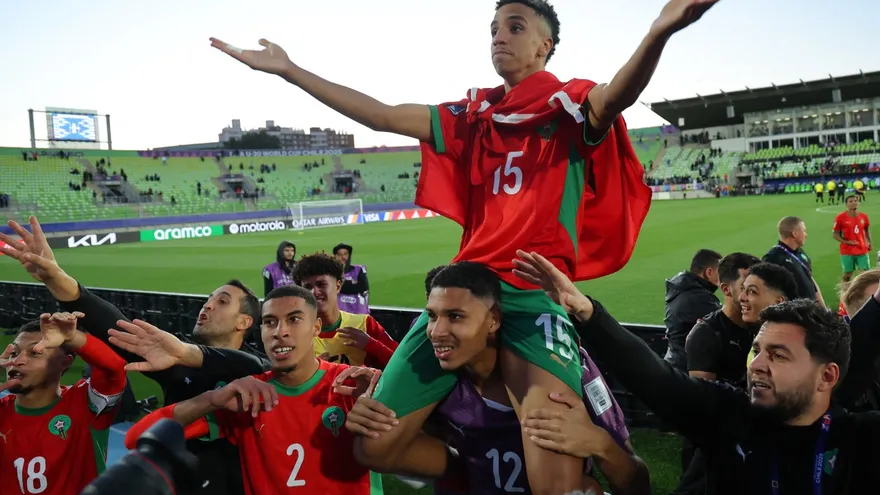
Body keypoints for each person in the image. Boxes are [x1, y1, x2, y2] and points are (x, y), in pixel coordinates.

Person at [209, 0, 716, 491]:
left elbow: (616, 97)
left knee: (552, 481)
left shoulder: (570, 106)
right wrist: (290, 70)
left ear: (546, 45)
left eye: (514, 27)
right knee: (374, 443)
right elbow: (383, 115)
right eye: (493, 27)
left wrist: (658, 31)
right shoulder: (473, 116)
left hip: (532, 295)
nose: (499, 35)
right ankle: (472, 470)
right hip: (463, 294)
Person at [513, 249, 880, 494]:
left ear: (827, 377)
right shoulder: (727, 414)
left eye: (779, 356)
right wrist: (588, 313)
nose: (758, 366)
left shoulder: (859, 440)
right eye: (757, 350)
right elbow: (656, 379)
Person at [0, 216, 270, 495]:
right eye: (209, 298)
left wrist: (189, 353)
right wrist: (55, 276)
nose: (208, 306)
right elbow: (113, 324)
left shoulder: (259, 369)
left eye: (222, 301)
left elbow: (261, 367)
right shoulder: (173, 363)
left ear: (244, 323)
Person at [345, 262, 649, 495]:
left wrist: (601, 444)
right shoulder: (440, 383)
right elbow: (414, 456)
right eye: (432, 316)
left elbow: (638, 485)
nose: (436, 332)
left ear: (494, 319)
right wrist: (377, 416)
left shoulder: (567, 373)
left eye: (456, 316)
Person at [122, 285, 383, 495]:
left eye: (294, 319)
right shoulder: (247, 396)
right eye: (270, 322)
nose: (280, 332)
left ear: (316, 327)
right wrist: (211, 399)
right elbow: (135, 437)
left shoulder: (353, 385)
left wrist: (383, 399)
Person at [0, 313, 127, 495]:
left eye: (34, 353)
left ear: (64, 362)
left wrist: (74, 338)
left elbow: (113, 368)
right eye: (14, 353)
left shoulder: (85, 403)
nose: (17, 361)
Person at [677, 253, 759, 495]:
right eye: (745, 288)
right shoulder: (707, 334)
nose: (749, 296)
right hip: (714, 450)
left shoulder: (762, 329)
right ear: (726, 288)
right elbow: (703, 406)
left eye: (755, 289)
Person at [293, 253, 397, 368]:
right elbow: (284, 379)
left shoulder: (364, 324)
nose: (314, 292)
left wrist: (372, 345)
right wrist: (310, 372)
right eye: (307, 287)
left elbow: (402, 364)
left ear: (338, 286)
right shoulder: (296, 334)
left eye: (321, 284)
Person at [663, 248, 722, 371]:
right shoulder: (699, 298)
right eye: (720, 272)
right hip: (686, 369)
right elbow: (725, 326)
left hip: (674, 362)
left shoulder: (681, 289)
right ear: (709, 272)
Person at [762, 216, 824, 305]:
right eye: (804, 231)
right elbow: (766, 291)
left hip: (811, 311)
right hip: (793, 314)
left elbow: (810, 280)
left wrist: (823, 309)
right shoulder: (773, 258)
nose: (806, 235)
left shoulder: (800, 252)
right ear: (795, 234)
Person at [833, 194, 872, 282]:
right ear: (846, 204)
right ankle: (845, 292)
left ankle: (863, 293)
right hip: (847, 251)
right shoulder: (840, 218)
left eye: (855, 201)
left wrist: (869, 242)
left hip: (862, 249)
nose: (854, 203)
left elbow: (867, 230)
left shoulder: (864, 217)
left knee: (865, 274)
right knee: (848, 275)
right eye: (851, 201)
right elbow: (835, 234)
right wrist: (846, 242)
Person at [333, 243, 370, 314]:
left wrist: (342, 285)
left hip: (358, 314)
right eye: (339, 255)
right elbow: (331, 288)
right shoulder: (331, 272)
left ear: (349, 256)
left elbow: (363, 287)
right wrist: (351, 283)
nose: (343, 257)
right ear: (335, 256)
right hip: (339, 315)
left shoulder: (359, 270)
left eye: (345, 254)